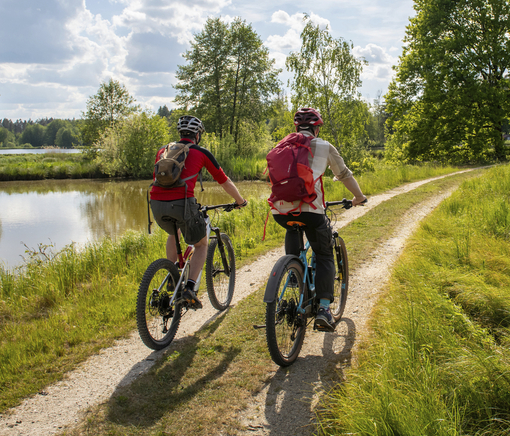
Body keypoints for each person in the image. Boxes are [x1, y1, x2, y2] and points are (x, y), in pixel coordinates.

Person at [270, 107, 367, 331]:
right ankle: (324, 308)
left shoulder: (281, 145)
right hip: (312, 211)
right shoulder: (324, 146)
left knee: (292, 227)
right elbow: (344, 174)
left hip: (280, 211)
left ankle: (292, 272)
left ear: (296, 127)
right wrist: (359, 197)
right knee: (324, 254)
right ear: (317, 127)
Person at [149, 115, 247, 309]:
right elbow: (224, 180)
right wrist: (240, 201)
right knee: (201, 244)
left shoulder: (164, 151)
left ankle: (172, 275)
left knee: (173, 232)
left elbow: (157, 178)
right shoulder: (201, 152)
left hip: (156, 203)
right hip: (183, 204)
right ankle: (190, 289)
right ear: (198, 134)